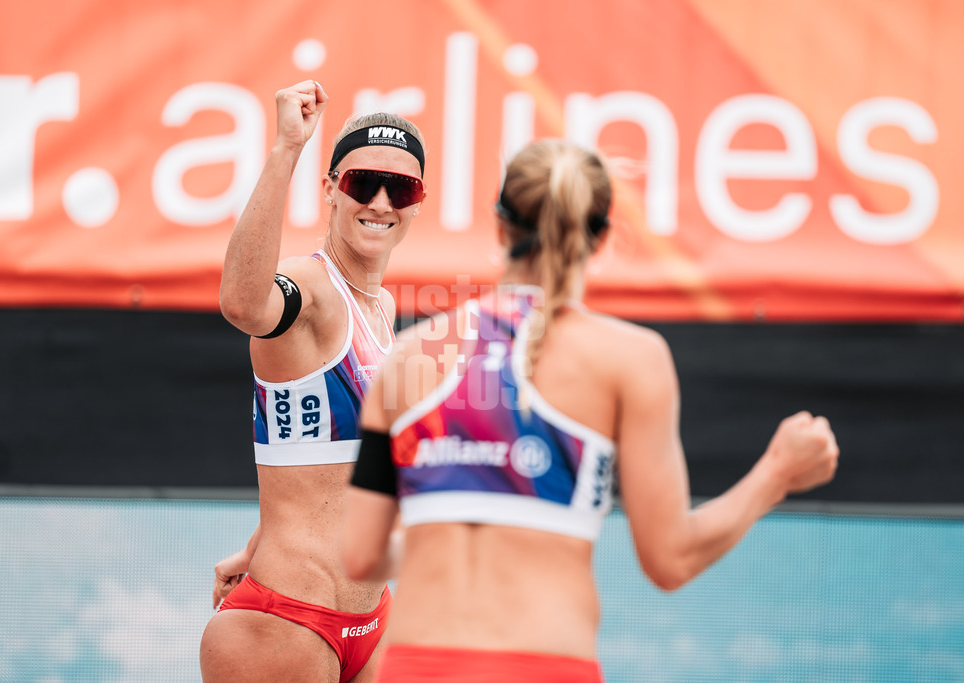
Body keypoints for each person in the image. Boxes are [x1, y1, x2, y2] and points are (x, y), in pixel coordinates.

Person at [339, 139, 839, 681]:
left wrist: (449, 514)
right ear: (599, 238)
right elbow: (670, 561)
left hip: (420, 667)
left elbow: (362, 556)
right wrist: (777, 473)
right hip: (547, 665)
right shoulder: (632, 359)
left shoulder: (411, 356)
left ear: (499, 227)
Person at [199, 80, 427, 682]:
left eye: (399, 187)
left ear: (416, 204)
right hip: (286, 622)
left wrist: (254, 547)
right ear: (331, 189)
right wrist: (287, 149)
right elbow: (244, 305)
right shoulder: (314, 287)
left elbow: (319, 463)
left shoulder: (379, 311)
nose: (379, 201)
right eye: (361, 183)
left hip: (371, 620)